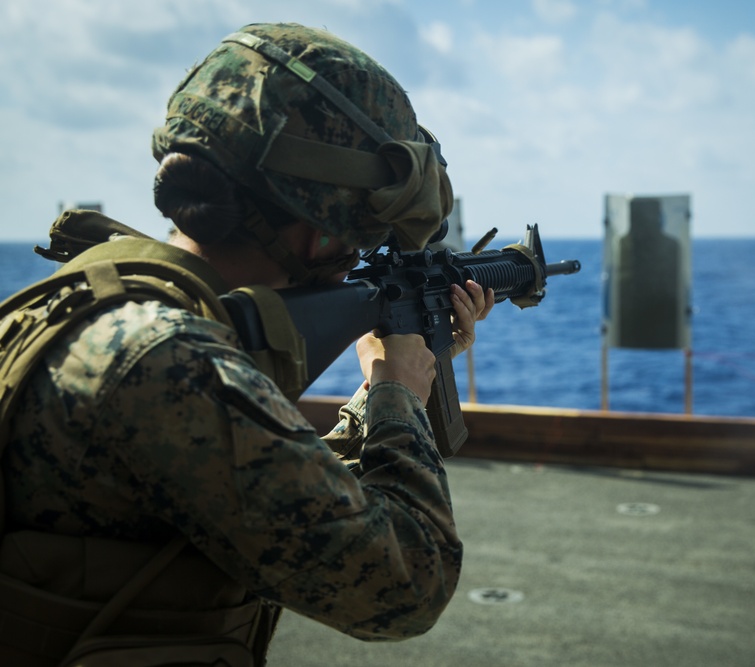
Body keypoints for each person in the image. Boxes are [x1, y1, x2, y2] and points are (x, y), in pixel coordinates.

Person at [0, 22, 493, 666]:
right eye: (363, 235)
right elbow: (404, 586)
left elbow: (263, 496)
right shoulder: (170, 364)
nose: (362, 253)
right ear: (319, 237)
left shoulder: (103, 308)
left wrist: (376, 389)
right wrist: (401, 397)